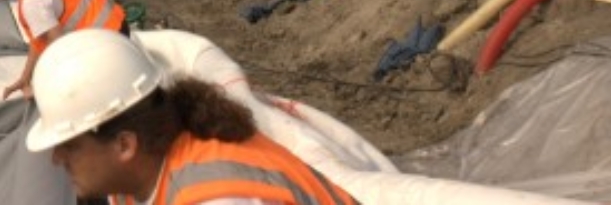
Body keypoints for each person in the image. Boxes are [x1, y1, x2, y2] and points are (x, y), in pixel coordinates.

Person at [26, 28, 360, 205]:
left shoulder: (219, 197)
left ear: (125, 145)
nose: (56, 158)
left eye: (69, 144)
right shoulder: (136, 176)